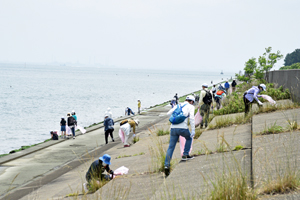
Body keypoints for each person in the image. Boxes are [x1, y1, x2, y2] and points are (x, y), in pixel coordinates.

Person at [164, 95, 195, 177]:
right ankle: (185, 155)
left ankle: (166, 165)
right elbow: (192, 118)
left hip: (173, 128)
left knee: (171, 147)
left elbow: (168, 114)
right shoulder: (190, 107)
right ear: (191, 101)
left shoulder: (178, 105)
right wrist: (193, 130)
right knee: (189, 138)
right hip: (183, 128)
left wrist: (175, 118)